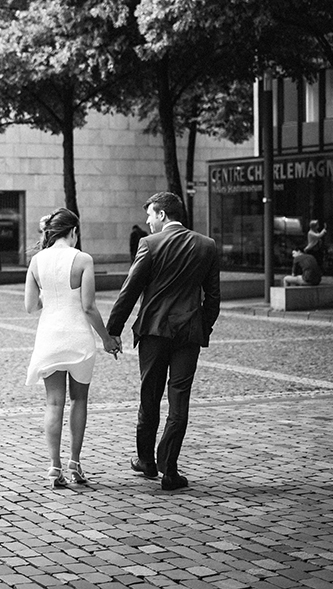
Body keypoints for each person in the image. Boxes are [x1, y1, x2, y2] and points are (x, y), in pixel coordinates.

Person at [106, 191, 220, 491]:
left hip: (154, 333)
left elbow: (130, 290)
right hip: (188, 335)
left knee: (150, 396)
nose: (147, 221)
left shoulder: (149, 244)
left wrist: (113, 330)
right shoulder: (206, 246)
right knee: (179, 401)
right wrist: (200, 325)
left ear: (162, 215)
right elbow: (214, 298)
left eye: (150, 215)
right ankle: (170, 469)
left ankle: (146, 461)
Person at [25, 208, 120, 489]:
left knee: (53, 403)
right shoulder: (83, 259)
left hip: (49, 337)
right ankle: (75, 462)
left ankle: (54, 466)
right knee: (79, 401)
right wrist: (107, 338)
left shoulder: (36, 261)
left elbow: (31, 306)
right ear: (74, 232)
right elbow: (89, 307)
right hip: (78, 337)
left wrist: (50, 301)